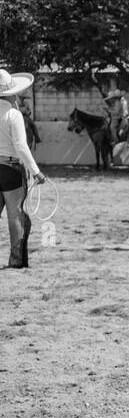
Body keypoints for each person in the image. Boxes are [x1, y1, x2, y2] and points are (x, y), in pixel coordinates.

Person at [0, 68, 47, 269]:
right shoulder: (13, 113)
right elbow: (21, 146)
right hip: (10, 167)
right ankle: (16, 258)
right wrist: (35, 171)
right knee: (15, 212)